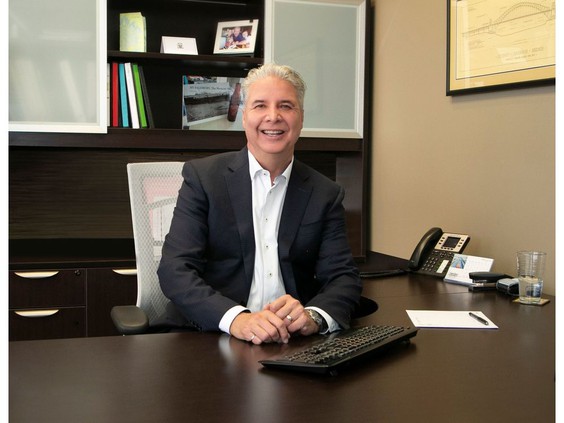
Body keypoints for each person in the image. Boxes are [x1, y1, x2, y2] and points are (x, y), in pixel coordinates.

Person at [157, 63, 362, 345]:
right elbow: (174, 269)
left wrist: (313, 316)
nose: (273, 116)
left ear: (301, 118)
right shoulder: (204, 178)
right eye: (260, 105)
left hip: (289, 341)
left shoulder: (325, 193)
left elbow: (343, 278)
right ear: (244, 116)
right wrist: (237, 319)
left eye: (286, 106)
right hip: (212, 335)